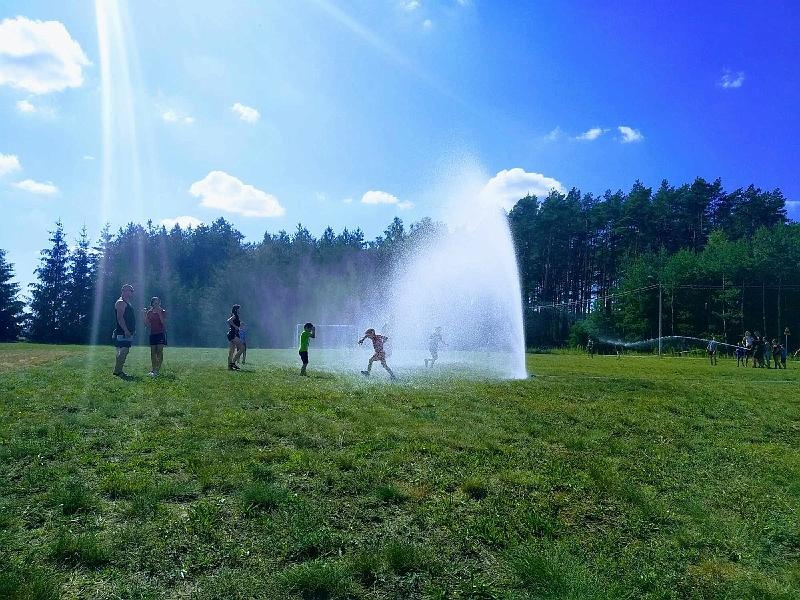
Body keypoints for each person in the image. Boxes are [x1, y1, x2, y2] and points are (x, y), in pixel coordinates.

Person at [113, 284, 136, 379]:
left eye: (130, 291)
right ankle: (117, 371)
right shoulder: (121, 302)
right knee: (123, 350)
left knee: (124, 351)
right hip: (123, 331)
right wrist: (126, 330)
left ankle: (118, 370)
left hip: (127, 331)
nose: (127, 292)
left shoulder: (127, 302)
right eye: (126, 290)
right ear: (122, 291)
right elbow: (120, 318)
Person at [143, 297, 167, 377]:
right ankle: (153, 370)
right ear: (152, 303)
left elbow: (163, 323)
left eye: (158, 302)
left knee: (159, 352)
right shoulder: (149, 312)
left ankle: (157, 370)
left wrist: (159, 312)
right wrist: (145, 315)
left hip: (161, 333)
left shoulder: (163, 311)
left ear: (160, 303)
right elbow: (146, 324)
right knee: (153, 352)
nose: (156, 304)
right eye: (155, 302)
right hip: (152, 334)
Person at [226, 304, 244, 370]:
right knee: (242, 348)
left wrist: (239, 326)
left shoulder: (235, 316)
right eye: (239, 309)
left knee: (231, 351)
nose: (240, 310)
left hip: (231, 334)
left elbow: (232, 323)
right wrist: (236, 327)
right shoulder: (235, 315)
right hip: (233, 334)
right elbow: (228, 321)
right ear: (236, 310)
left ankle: (229, 367)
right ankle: (233, 363)